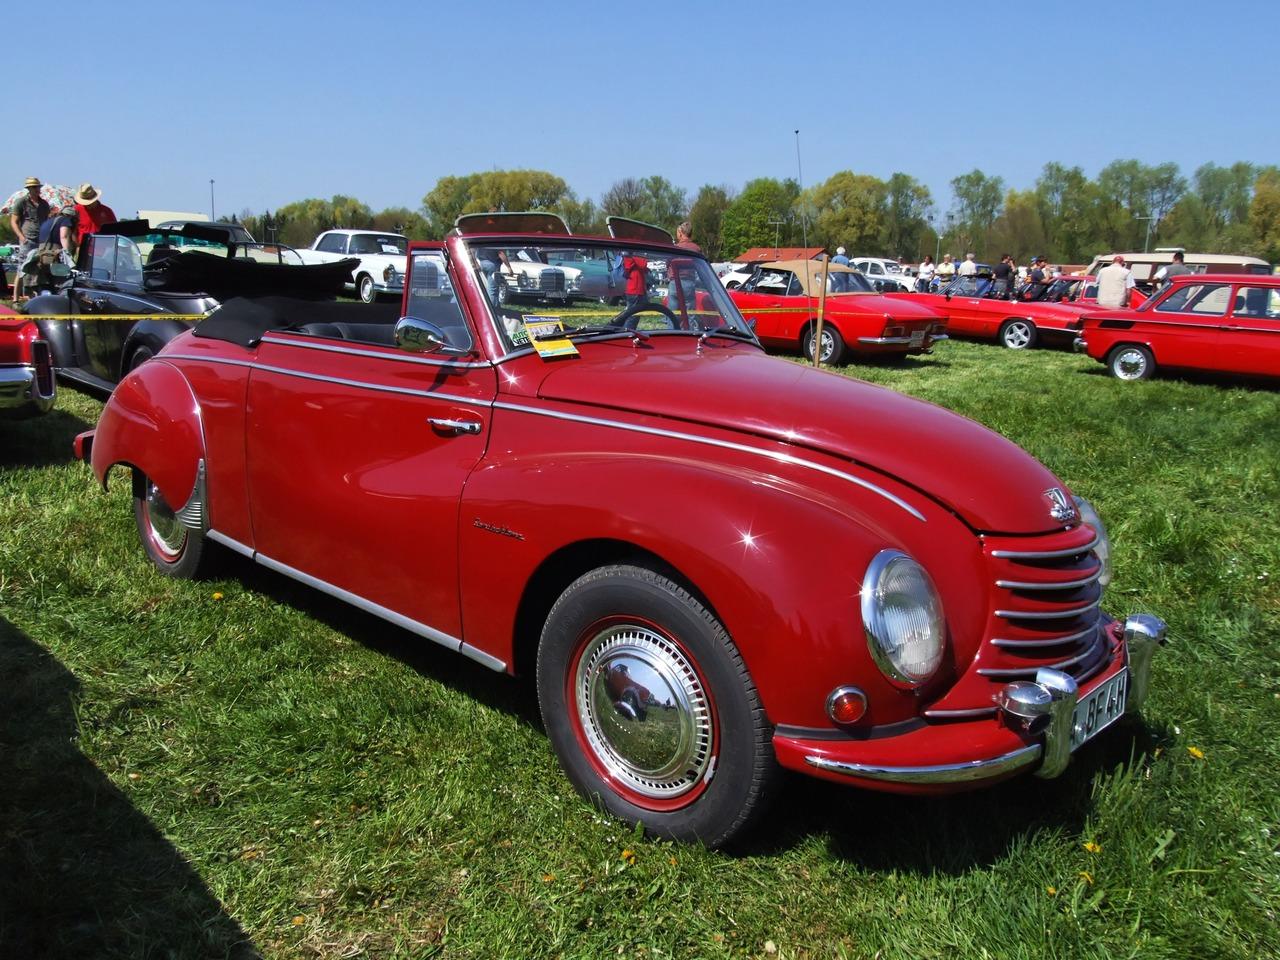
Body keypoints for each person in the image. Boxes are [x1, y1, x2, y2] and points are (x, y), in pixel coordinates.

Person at [10, 177, 49, 259]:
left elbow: (47, 221)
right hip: (28, 240)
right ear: (29, 188)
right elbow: (14, 222)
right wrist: (22, 237)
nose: (37, 189)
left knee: (42, 264)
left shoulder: (44, 204)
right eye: (34, 187)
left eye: (38, 187)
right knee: (25, 263)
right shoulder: (21, 202)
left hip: (42, 240)